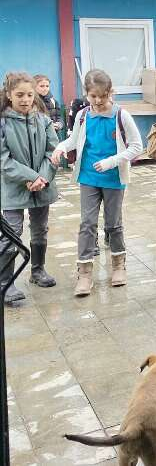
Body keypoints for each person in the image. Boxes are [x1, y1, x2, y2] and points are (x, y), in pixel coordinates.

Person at [51, 69, 143, 296]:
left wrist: (112, 161)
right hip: (88, 178)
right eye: (93, 96)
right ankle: (84, 273)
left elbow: (137, 147)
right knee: (87, 224)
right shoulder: (82, 116)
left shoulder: (122, 115)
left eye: (103, 95)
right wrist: (61, 147)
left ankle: (119, 266)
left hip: (113, 178)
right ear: (87, 94)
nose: (98, 101)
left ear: (111, 92)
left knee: (113, 224)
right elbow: (73, 140)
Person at [0, 72, 60, 304]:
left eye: (29, 94)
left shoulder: (43, 120)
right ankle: (6, 282)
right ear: (9, 95)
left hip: (42, 187)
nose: (25, 99)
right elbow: (3, 160)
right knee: (11, 233)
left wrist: (42, 178)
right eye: (19, 95)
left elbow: (52, 152)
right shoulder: (3, 123)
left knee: (40, 229)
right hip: (14, 189)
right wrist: (30, 177)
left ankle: (38, 271)